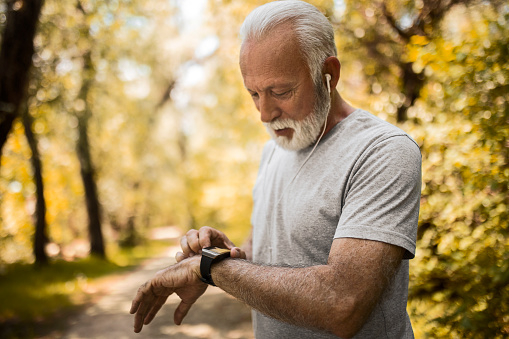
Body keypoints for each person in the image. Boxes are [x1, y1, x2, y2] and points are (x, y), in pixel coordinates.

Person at [130, 1, 421, 338]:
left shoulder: (382, 151)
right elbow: (267, 259)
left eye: (280, 92)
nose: (264, 114)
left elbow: (343, 303)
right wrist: (225, 255)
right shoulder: (275, 150)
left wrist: (213, 269)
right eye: (254, 94)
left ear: (330, 74)